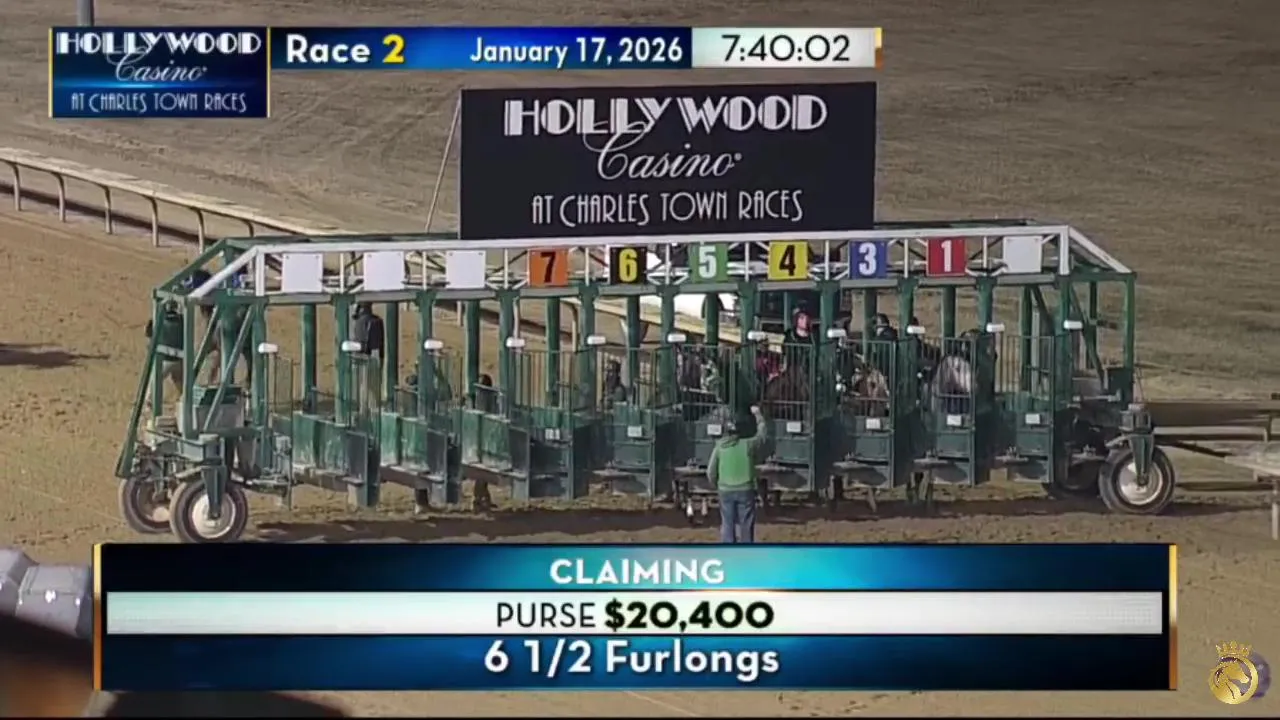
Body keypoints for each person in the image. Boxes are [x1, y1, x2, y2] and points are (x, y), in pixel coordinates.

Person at [707, 404, 770, 544]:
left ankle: (729, 549)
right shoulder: (748, 444)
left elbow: (710, 472)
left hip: (725, 489)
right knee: (746, 524)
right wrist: (758, 415)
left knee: (727, 524)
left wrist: (717, 485)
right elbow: (762, 436)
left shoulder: (719, 447)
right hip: (745, 489)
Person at [350, 303, 386, 412]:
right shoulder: (377, 321)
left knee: (363, 386)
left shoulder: (360, 322)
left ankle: (363, 410)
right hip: (374, 354)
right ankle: (372, 410)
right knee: (372, 387)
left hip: (361, 355)